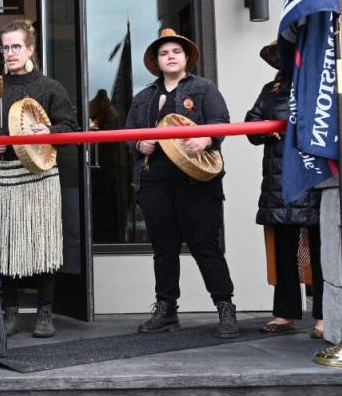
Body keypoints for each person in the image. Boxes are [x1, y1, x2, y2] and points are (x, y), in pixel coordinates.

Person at [125, 28, 238, 338]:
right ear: (157, 62)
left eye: (176, 51)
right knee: (163, 249)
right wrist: (138, 146)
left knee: (205, 246)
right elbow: (128, 135)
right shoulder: (143, 97)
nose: (170, 56)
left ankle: (225, 307)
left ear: (186, 57)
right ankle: (166, 310)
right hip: (155, 181)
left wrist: (207, 137)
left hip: (197, 182)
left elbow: (221, 122)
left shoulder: (204, 88)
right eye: (164, 53)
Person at [0, 20, 79, 338]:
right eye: (5, 47)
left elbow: (70, 127)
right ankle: (11, 312)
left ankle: (45, 312)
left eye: (16, 46)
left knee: (42, 244)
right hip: (3, 175)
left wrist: (49, 131)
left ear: (30, 48)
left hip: (40, 175)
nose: (10, 52)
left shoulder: (50, 88)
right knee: (6, 245)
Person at [245, 41, 324, 338]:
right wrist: (269, 127)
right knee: (284, 250)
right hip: (279, 179)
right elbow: (251, 124)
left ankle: (324, 315)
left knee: (320, 250)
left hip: (314, 176)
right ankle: (285, 313)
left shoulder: (321, 85)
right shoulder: (271, 89)